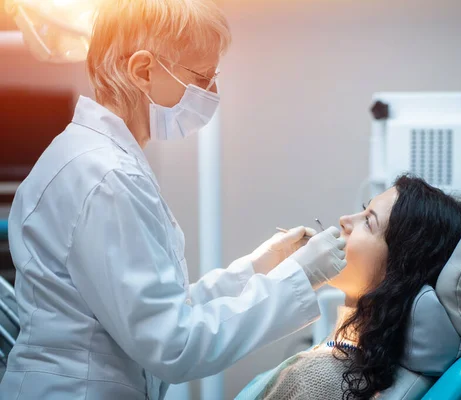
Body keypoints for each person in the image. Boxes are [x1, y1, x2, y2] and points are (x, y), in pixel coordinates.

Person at [0, 1, 347, 399]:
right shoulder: (106, 176)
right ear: (143, 71)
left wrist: (258, 268)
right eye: (201, 77)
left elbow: (164, 308)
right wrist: (299, 279)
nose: (211, 93)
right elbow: (173, 344)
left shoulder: (97, 159)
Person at [236, 174, 461, 400]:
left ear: (397, 275)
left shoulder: (315, 380)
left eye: (368, 222)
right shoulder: (354, 360)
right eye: (364, 210)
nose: (345, 220)